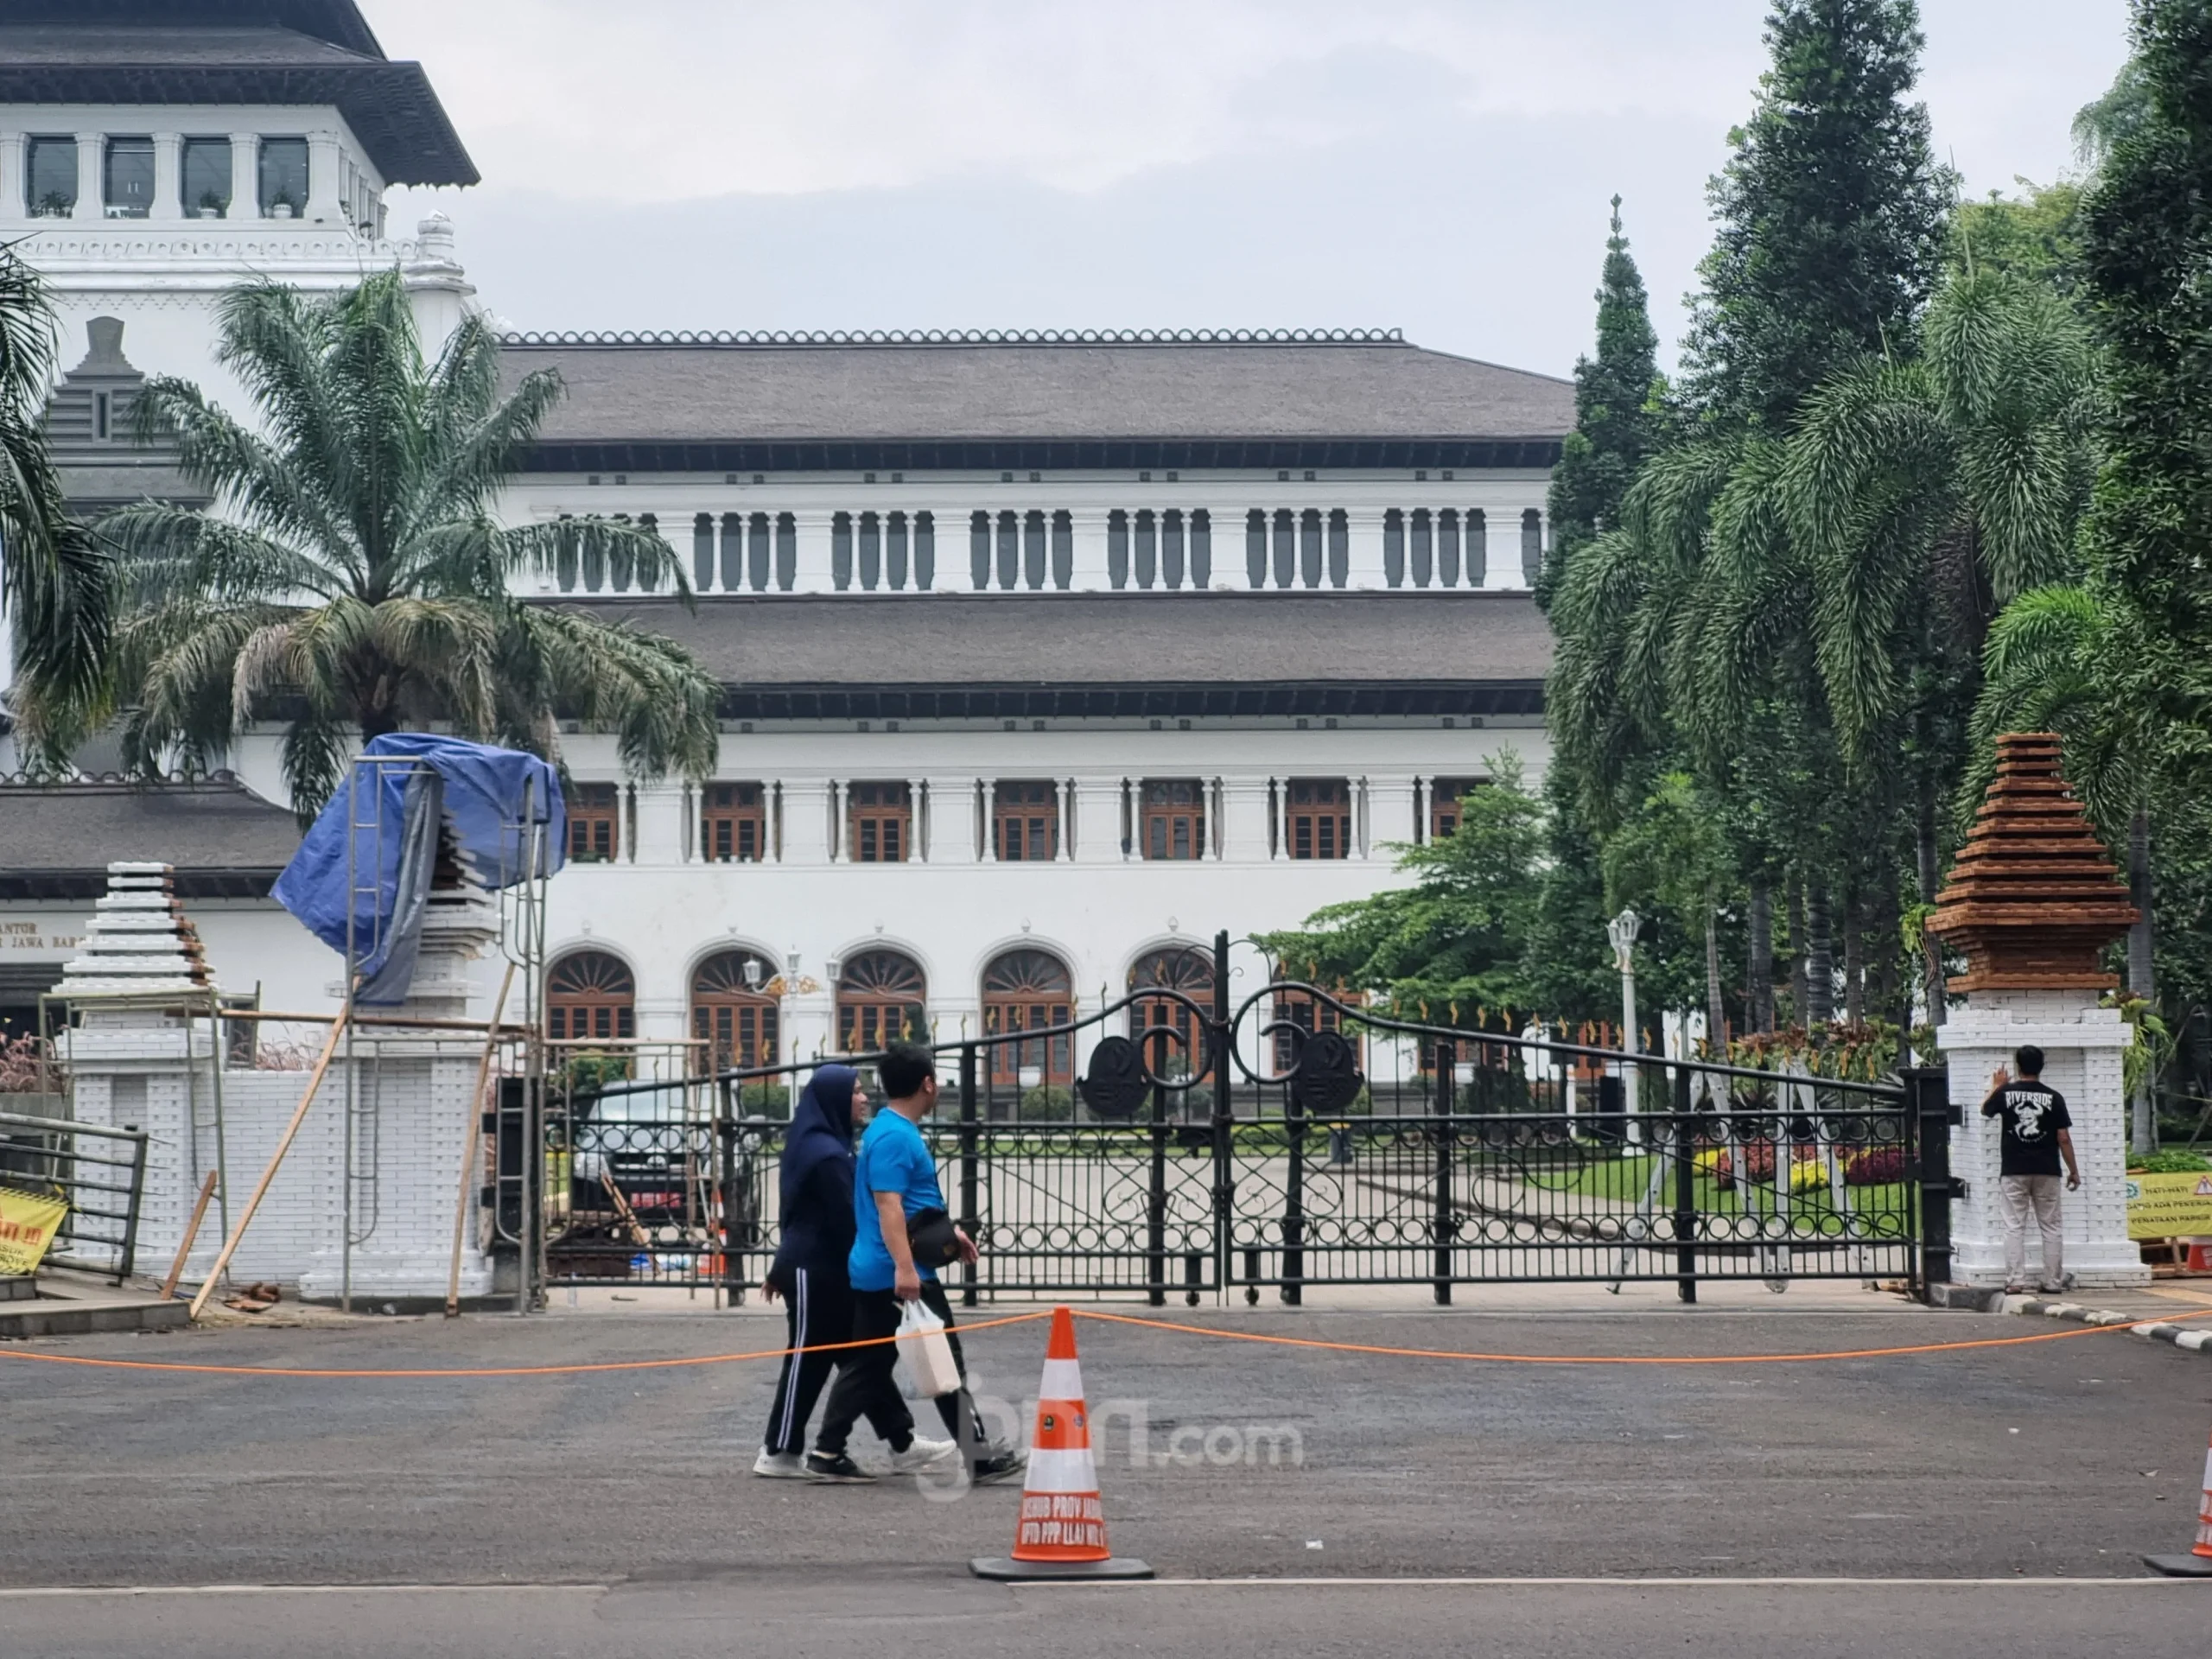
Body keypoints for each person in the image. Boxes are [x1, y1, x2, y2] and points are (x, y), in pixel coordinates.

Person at [809, 1040, 1025, 1485]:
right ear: (927, 1083)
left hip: (882, 1267)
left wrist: (950, 1236)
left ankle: (827, 1450)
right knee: (944, 1362)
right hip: (899, 1272)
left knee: (868, 1365)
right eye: (938, 1080)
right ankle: (979, 1457)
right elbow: (889, 1205)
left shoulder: (890, 1130)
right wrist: (906, 1270)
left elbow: (910, 1208)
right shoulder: (893, 1137)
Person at [753, 1065, 874, 1477]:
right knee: (807, 1359)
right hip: (813, 1270)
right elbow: (841, 1219)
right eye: (857, 1092)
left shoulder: (829, 1145)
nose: (864, 1098)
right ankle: (779, 1450)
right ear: (836, 1100)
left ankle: (902, 1439)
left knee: (860, 1358)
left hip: (825, 1268)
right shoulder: (825, 1154)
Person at [1980, 1045, 2080, 1295]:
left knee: (2014, 1226)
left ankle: (2015, 1281)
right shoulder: (2054, 1097)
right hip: (2047, 1169)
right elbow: (2064, 1138)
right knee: (2051, 1226)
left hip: (2014, 1169)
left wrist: (1998, 1085)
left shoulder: (2006, 1093)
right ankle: (2052, 1282)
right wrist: (2073, 1170)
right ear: (2042, 1066)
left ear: (2018, 1066)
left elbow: (1985, 1109)